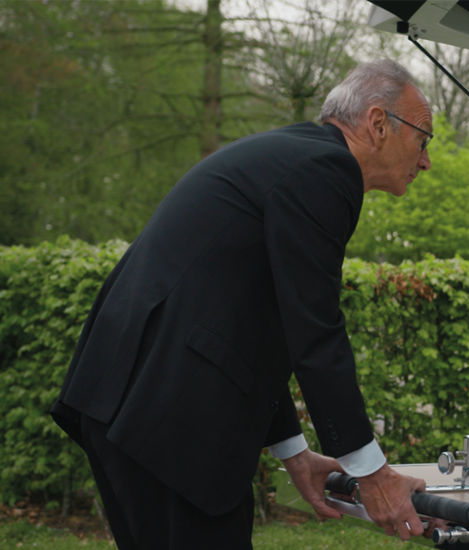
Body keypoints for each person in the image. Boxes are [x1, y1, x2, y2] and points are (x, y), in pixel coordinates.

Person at [50, 59, 434, 548]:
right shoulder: (327, 170)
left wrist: (295, 452)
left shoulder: (294, 156)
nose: (425, 161)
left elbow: (262, 324)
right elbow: (315, 330)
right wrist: (372, 473)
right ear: (378, 123)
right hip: (169, 418)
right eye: (423, 140)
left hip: (128, 404)